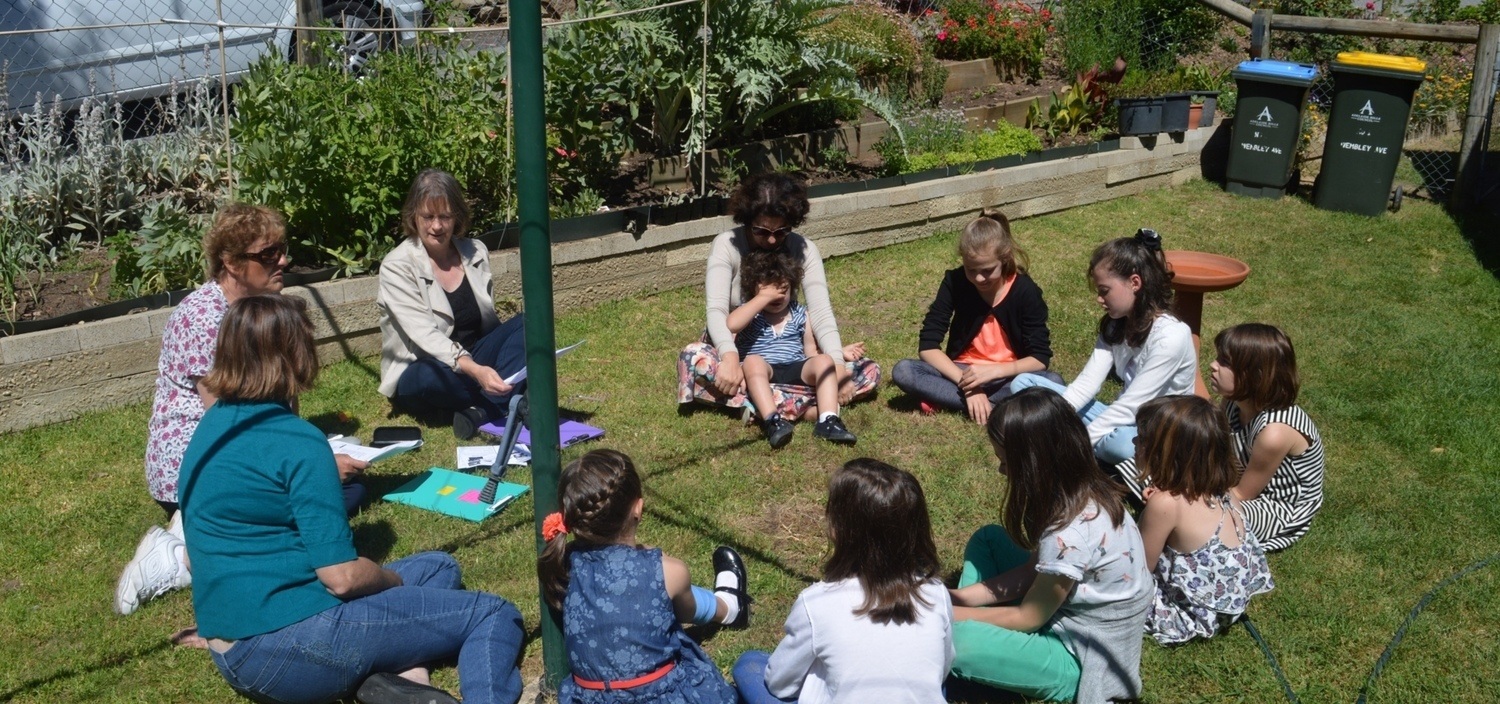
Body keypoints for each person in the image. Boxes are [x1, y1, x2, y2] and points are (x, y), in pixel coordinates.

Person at [177, 295, 526, 704]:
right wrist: (389, 582)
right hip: (291, 646)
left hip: (231, 649)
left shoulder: (209, 428)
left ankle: (400, 682)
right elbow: (341, 578)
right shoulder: (297, 442)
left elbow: (195, 557)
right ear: (296, 354)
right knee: (492, 613)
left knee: (438, 567)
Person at [118, 204, 368, 620]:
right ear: (231, 263)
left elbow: (279, 399)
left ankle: (202, 532)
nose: (283, 261)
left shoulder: (262, 306)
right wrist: (311, 465)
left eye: (281, 250)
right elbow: (227, 426)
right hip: (203, 460)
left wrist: (305, 454)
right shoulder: (204, 319)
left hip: (246, 446)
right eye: (268, 254)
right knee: (325, 498)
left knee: (348, 488)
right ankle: (178, 557)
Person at [948, 388, 1152, 703]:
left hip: (1080, 659)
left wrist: (950, 615)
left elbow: (1029, 617)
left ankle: (984, 638)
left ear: (1034, 465)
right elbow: (1032, 571)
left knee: (958, 641)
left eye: (1005, 462)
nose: (1001, 470)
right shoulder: (1081, 493)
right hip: (1062, 613)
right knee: (989, 539)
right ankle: (985, 629)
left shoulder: (1070, 534)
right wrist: (956, 599)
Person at [732, 458, 953, 704]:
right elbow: (942, 670)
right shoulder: (936, 592)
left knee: (749, 664)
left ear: (839, 530)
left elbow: (780, 685)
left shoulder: (816, 602)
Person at [538, 449, 751, 704]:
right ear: (638, 509)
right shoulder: (667, 570)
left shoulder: (562, 564)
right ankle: (730, 608)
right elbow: (687, 612)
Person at [678, 172, 878, 421]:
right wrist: (729, 357)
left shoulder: (804, 249)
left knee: (867, 371)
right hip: (735, 348)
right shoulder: (726, 245)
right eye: (761, 231)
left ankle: (759, 405)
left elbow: (820, 312)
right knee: (693, 357)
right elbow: (717, 311)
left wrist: (837, 366)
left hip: (789, 357)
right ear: (747, 220)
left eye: (782, 231)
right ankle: (802, 405)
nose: (772, 239)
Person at [1009, 229, 1195, 464]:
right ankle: (1072, 438)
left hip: (1158, 434)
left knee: (1119, 444)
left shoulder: (1171, 336)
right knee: (1024, 385)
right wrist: (1058, 414)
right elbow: (1087, 384)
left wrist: (1078, 444)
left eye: (1104, 291)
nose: (1099, 299)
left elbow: (1132, 407)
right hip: (1122, 420)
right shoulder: (1116, 325)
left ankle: (1075, 443)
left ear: (1134, 283)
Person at [378, 168, 526, 440]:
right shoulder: (396, 266)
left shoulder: (475, 251)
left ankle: (485, 408)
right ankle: (510, 398)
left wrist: (484, 363)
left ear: (457, 216)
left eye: (445, 217)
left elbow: (488, 324)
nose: (437, 226)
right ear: (413, 216)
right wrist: (476, 370)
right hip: (425, 365)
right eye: (428, 217)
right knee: (427, 377)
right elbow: (425, 335)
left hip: (476, 355)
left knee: (530, 324)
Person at [891, 210, 1062, 425]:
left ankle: (949, 399)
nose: (979, 278)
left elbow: (1039, 358)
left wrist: (995, 371)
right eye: (971, 270)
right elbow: (928, 346)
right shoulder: (955, 282)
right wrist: (969, 387)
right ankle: (998, 407)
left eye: (988, 270)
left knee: (1053, 381)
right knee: (905, 371)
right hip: (961, 372)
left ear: (1005, 257)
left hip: (1007, 375)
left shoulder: (1025, 290)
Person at [1132, 396, 1274, 645]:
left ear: (1165, 453)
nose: (1134, 442)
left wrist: (1147, 515)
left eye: (1142, 438)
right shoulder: (1221, 489)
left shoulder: (1165, 504)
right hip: (1225, 604)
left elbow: (1139, 571)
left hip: (1188, 615)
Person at [729, 250, 862, 448]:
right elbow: (732, 324)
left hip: (795, 369)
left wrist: (838, 353)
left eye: (782, 289)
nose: (776, 296)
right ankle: (773, 420)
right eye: (768, 290)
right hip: (764, 371)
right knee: (752, 361)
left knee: (826, 361)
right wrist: (761, 299)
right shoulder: (750, 313)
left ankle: (828, 420)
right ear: (753, 289)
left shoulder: (800, 314)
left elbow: (811, 352)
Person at [1211, 323, 1325, 552]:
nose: (1213, 365)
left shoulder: (1274, 432)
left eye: (1224, 362)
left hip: (1275, 504)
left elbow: (1243, 494)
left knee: (1202, 515)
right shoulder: (1233, 402)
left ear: (1253, 376)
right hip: (1240, 478)